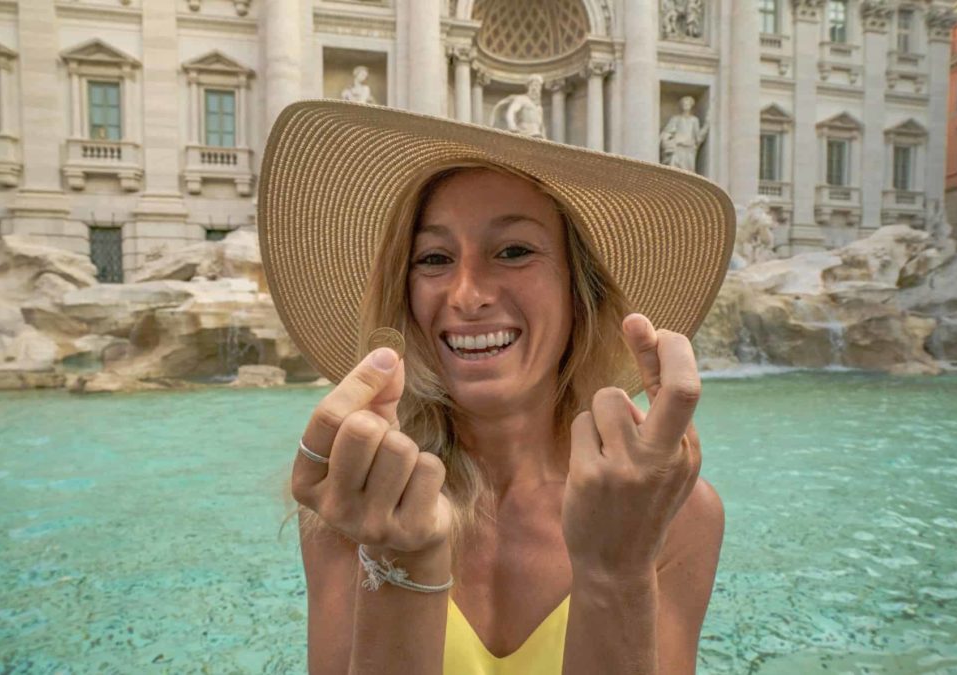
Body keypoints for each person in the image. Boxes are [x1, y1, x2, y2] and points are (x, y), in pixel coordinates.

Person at [259, 100, 735, 674]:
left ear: (579, 293)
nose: (466, 295)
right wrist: (400, 558)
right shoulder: (355, 496)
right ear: (405, 295)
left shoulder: (675, 512)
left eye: (513, 251)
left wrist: (617, 568)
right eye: (434, 258)